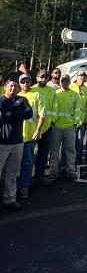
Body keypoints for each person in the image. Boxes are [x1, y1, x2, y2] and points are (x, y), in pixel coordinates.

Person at [0, 77, 33, 210]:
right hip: (2, 143)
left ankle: (10, 198)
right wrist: (14, 115)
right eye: (10, 86)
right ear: (5, 87)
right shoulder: (1, 101)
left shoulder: (22, 100)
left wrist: (11, 114)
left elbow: (29, 113)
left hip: (18, 141)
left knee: (12, 172)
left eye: (15, 86)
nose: (13, 88)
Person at [17, 74, 45, 198]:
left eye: (28, 81)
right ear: (19, 83)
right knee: (14, 164)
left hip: (29, 136)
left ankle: (23, 187)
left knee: (27, 162)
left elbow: (42, 114)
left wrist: (38, 130)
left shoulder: (37, 95)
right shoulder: (15, 95)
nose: (26, 84)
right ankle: (12, 188)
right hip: (16, 136)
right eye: (23, 81)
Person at [48, 74, 80, 181]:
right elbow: (51, 108)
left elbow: (78, 109)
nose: (64, 83)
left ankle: (71, 171)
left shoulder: (75, 95)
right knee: (54, 150)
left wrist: (75, 123)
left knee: (70, 150)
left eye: (66, 81)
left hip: (69, 127)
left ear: (69, 82)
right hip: (56, 126)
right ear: (60, 82)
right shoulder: (55, 94)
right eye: (63, 81)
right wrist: (52, 121)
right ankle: (53, 172)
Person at [31, 69, 57, 185]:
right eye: (41, 77)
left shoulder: (52, 91)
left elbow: (55, 107)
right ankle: (24, 179)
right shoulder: (31, 89)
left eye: (46, 77)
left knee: (43, 153)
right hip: (32, 128)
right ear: (37, 78)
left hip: (46, 128)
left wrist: (52, 120)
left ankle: (39, 176)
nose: (44, 79)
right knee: (28, 154)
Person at [70, 71, 87, 165]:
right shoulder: (70, 87)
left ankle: (77, 162)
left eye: (84, 76)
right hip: (70, 121)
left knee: (79, 143)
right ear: (77, 77)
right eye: (80, 76)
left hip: (81, 121)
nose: (82, 78)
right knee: (69, 144)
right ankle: (66, 163)